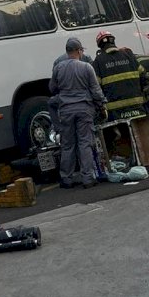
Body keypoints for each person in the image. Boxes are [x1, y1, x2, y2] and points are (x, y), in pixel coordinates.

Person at [49, 37, 106, 189]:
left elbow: (52, 89)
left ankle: (66, 179)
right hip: (84, 109)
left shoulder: (58, 68)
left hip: (66, 110)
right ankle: (88, 178)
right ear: (79, 50)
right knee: (85, 143)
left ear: (67, 51)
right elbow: (95, 90)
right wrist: (102, 104)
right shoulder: (86, 67)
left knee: (67, 145)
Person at [91, 31, 148, 121]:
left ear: (100, 46)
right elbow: (144, 77)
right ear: (113, 41)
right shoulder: (129, 54)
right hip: (137, 107)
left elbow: (95, 87)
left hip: (115, 112)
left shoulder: (98, 61)